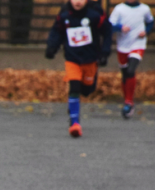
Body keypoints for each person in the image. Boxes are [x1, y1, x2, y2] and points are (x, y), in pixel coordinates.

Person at [46, 0, 112, 138]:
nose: (78, 1)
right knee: (74, 87)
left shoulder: (94, 15)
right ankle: (74, 123)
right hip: (72, 59)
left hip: (90, 59)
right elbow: (57, 31)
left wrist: (105, 53)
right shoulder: (64, 15)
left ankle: (88, 85)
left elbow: (107, 32)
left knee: (87, 90)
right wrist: (52, 47)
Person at [109, 1, 155, 118]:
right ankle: (127, 101)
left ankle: (129, 102)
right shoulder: (119, 9)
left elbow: (151, 22)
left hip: (138, 43)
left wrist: (146, 31)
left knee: (131, 70)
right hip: (123, 45)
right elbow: (109, 25)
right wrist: (120, 27)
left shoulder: (145, 8)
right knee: (125, 74)